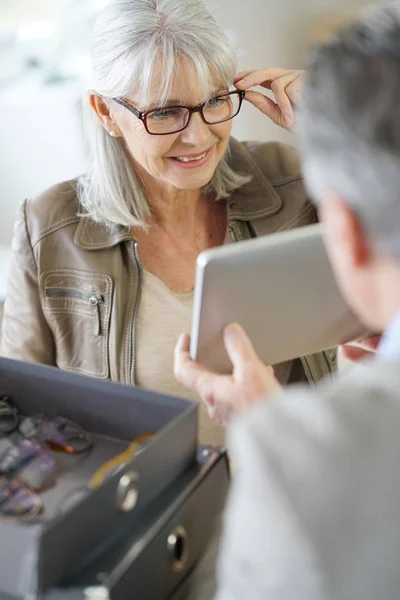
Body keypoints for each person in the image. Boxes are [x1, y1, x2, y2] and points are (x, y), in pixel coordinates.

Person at [0, 0, 336, 446]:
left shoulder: (290, 179)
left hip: (290, 479)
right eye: (164, 112)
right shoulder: (47, 228)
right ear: (105, 112)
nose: (198, 136)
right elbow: (15, 405)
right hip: (146, 503)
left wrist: (337, 139)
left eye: (215, 100)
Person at [175, 1, 400, 597]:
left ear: (341, 231)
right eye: (167, 111)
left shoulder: (298, 464)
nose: (194, 132)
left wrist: (268, 437)